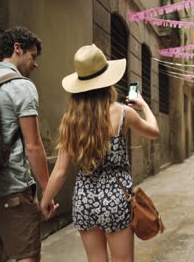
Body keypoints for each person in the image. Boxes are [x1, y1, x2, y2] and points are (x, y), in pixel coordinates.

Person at [41, 44, 160, 262]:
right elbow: (154, 132)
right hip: (116, 200)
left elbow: (59, 171)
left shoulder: (71, 120)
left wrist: (46, 200)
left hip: (84, 200)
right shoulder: (124, 113)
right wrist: (143, 105)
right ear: (107, 80)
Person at [0, 26, 58, 262]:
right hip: (12, 189)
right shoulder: (21, 86)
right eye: (33, 55)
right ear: (17, 49)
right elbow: (33, 146)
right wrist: (47, 191)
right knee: (27, 255)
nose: (35, 63)